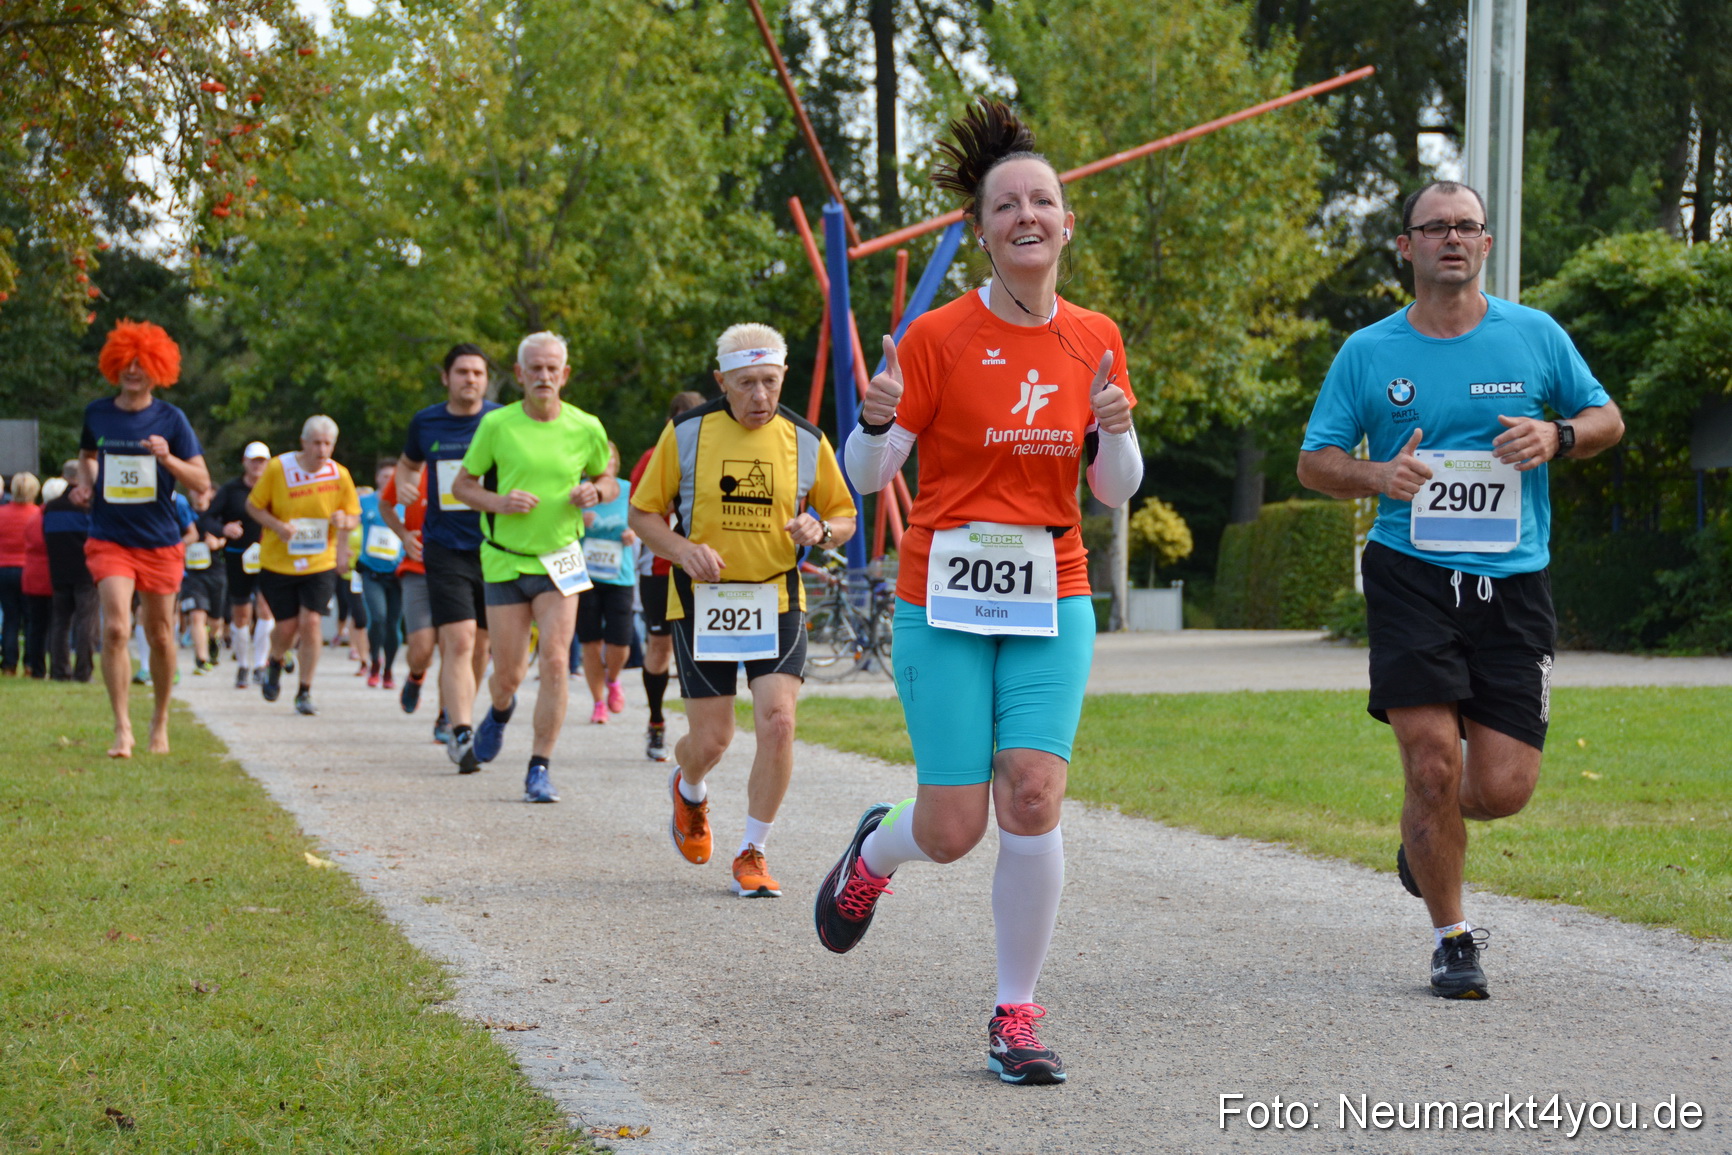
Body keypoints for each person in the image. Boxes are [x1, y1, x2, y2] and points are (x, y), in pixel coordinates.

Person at [815, 100, 1141, 1086]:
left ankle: (1013, 1012)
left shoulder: (1095, 338)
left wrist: (1117, 430)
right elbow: (867, 477)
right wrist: (872, 423)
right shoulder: (936, 340)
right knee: (954, 829)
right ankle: (876, 851)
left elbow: (1113, 491)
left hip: (1053, 591)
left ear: (1066, 223)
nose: (1027, 217)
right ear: (982, 229)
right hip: (942, 596)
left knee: (1033, 797)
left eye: (1043, 201)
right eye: (1008, 205)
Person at [1296, 179, 1623, 1000]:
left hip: (1514, 581)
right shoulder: (1368, 353)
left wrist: (1559, 432)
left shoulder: (1535, 335)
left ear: (1485, 244)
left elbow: (1608, 419)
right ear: (1405, 247)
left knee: (1502, 788)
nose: (1452, 237)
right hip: (1411, 574)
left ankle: (1422, 835)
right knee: (1433, 764)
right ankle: (1452, 937)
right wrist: (1376, 473)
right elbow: (1315, 461)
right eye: (1434, 226)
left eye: (1466, 226)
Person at [630, 323, 858, 900]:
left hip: (776, 598)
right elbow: (643, 515)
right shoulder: (686, 434)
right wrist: (682, 549)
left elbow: (843, 515)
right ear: (721, 382)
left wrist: (821, 527)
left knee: (779, 722)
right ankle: (689, 787)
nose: (761, 397)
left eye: (772, 382)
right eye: (747, 383)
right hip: (704, 602)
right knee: (712, 741)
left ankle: (753, 850)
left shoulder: (806, 440)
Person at [451, 331, 615, 803]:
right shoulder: (497, 426)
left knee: (557, 660)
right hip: (505, 559)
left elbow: (607, 477)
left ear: (564, 375)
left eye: (552, 369)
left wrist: (597, 492)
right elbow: (463, 487)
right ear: (520, 375)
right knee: (508, 674)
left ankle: (539, 767)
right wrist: (499, 501)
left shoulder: (586, 426)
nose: (544, 376)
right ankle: (500, 710)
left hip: (562, 558)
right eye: (535, 369)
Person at [78, 320, 211, 756]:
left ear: (158, 369)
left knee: (160, 634)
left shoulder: (172, 419)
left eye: (141, 364)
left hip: (159, 539)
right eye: (126, 363)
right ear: (114, 364)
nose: (133, 371)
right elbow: (87, 455)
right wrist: (88, 483)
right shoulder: (97, 413)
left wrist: (167, 456)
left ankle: (160, 720)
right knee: (116, 627)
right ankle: (122, 728)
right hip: (109, 536)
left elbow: (201, 481)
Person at [397, 344, 500, 773]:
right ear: (446, 377)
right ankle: (461, 732)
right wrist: (405, 486)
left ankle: (458, 712)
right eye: (462, 372)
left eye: (477, 373)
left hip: (495, 547)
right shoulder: (426, 421)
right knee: (457, 641)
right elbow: (407, 465)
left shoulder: (502, 421)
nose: (470, 379)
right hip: (444, 548)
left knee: (481, 646)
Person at [246, 415, 360, 716]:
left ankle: (304, 690)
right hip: (278, 562)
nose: (322, 450)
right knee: (286, 627)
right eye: (317, 443)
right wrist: (277, 525)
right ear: (303, 443)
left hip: (319, 561)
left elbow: (353, 516)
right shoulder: (278, 468)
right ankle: (275, 659)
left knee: (311, 623)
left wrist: (344, 524)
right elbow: (253, 506)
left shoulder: (340, 474)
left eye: (328, 444)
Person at [629, 390, 706, 761]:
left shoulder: (714, 451)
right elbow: (642, 512)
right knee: (659, 648)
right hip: (659, 568)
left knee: (702, 650)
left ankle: (703, 732)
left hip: (705, 570)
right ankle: (657, 721)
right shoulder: (652, 458)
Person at [572, 441, 638, 724]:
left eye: (611, 459)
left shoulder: (628, 490)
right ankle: (598, 702)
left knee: (619, 643)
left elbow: (645, 520)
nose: (606, 463)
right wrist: (577, 524)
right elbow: (556, 531)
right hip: (585, 576)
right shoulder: (579, 492)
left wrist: (633, 533)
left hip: (619, 576)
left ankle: (613, 678)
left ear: (617, 463)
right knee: (590, 643)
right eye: (601, 459)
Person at [380, 466, 445, 739]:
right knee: (421, 650)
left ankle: (448, 718)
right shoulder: (413, 467)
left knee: (458, 648)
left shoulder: (477, 461)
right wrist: (404, 535)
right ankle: (416, 676)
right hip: (417, 570)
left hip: (462, 570)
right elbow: (385, 504)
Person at [204, 443, 273, 688]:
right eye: (254, 460)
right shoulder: (231, 490)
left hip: (269, 557)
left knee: (266, 609)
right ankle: (243, 665)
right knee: (241, 613)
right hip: (237, 556)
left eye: (262, 461)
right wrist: (224, 529)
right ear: (245, 461)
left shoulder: (275, 487)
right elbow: (208, 517)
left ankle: (261, 664)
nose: (258, 465)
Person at [43, 461, 98, 682]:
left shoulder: (51, 507)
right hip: (86, 571)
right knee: (86, 622)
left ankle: (59, 671)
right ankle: (83, 672)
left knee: (60, 622)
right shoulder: (88, 505)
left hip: (58, 570)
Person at [357, 460, 406, 688]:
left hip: (398, 573)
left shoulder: (406, 504)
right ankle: (374, 660)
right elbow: (348, 522)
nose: (389, 481)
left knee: (394, 624)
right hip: (371, 572)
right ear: (377, 478)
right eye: (385, 476)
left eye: (393, 477)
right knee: (377, 618)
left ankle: (388, 671)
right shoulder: (365, 502)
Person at [179, 483, 228, 675]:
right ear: (190, 492)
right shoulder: (184, 514)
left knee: (215, 621)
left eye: (203, 491)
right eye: (196, 490)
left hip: (216, 572)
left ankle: (214, 639)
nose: (199, 495)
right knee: (196, 615)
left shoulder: (218, 515)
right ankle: (201, 659)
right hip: (192, 575)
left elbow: (232, 536)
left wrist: (218, 542)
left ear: (211, 494)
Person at [0, 471, 42, 675]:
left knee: (10, 618)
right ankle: (30, 664)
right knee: (31, 619)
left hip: (3, 570)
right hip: (29, 570)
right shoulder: (38, 514)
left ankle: (8, 664)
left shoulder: (1, 514)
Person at [17, 473, 53, 678]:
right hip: (46, 575)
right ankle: (37, 665)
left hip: (28, 575)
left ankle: (17, 664)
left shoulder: (32, 517)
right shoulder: (38, 516)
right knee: (50, 624)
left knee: (24, 622)